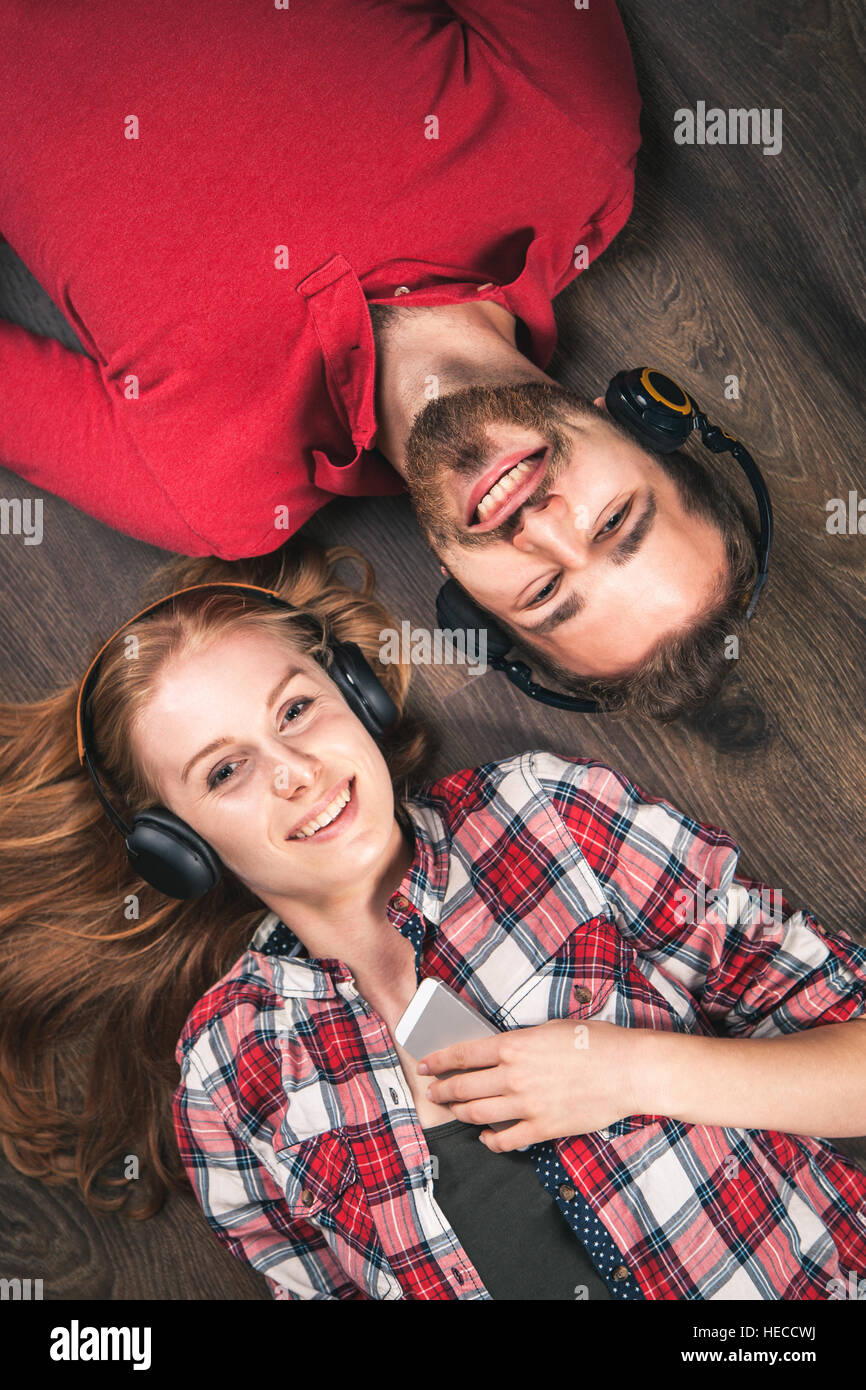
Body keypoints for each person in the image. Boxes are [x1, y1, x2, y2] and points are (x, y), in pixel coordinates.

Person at [0, 542, 863, 1301]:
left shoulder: (546, 816)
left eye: (296, 711)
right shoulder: (226, 1074)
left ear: (357, 698)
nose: (296, 771)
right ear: (177, 848)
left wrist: (632, 1070)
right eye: (227, 771)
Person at [0, 1, 759, 716]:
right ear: (634, 418)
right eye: (615, 520)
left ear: (461, 600)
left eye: (543, 593)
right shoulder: (571, 137)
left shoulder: (207, 496)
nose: (541, 528)